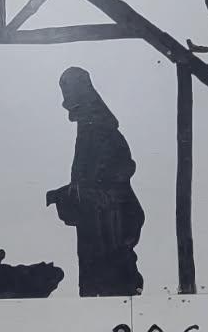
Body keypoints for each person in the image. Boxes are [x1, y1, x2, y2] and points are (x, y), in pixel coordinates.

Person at [46, 67, 144, 297]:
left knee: (113, 282)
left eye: (70, 92)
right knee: (94, 282)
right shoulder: (87, 129)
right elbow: (86, 180)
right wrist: (69, 193)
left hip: (111, 222)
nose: (67, 101)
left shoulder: (102, 130)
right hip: (95, 224)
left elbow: (121, 169)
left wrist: (86, 192)